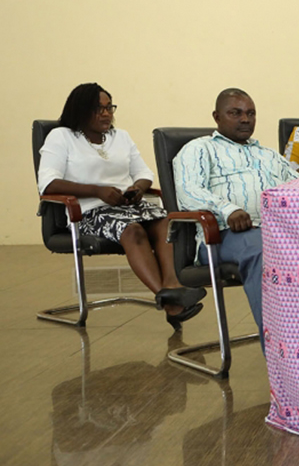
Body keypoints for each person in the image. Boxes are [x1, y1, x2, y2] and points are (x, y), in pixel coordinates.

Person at [37, 83, 205, 329]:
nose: (106, 114)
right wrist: (97, 191)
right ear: (80, 111)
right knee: (133, 230)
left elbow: (144, 173)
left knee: (167, 223)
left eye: (109, 108)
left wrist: (137, 188)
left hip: (128, 206)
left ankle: (172, 287)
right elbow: (48, 183)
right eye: (98, 109)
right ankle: (168, 300)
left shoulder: (121, 137)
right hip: (87, 212)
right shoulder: (61, 137)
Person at [173, 88, 299, 344]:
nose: (245, 119)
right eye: (236, 113)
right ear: (217, 116)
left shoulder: (267, 154)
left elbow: (298, 186)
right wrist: (228, 209)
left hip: (275, 232)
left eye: (251, 113)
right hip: (224, 236)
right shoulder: (199, 149)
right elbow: (188, 191)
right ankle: (282, 353)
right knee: (265, 253)